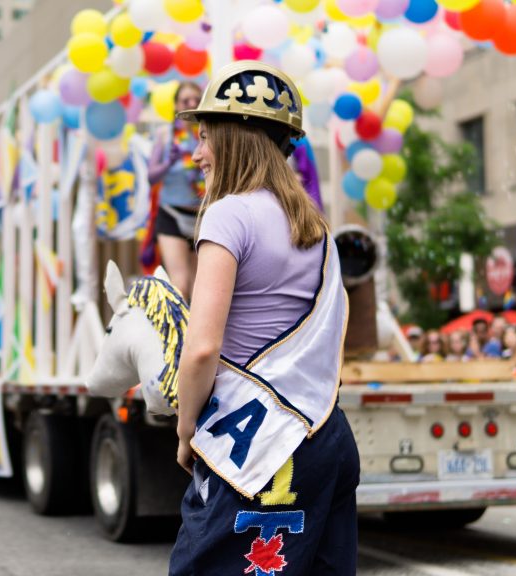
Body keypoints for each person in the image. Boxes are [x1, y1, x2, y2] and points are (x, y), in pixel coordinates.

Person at [171, 61, 358, 575]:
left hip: (261, 451)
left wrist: (187, 431)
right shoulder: (316, 227)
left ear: (234, 139)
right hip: (327, 439)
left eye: (205, 137)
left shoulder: (228, 214)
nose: (196, 153)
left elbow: (202, 347)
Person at [148, 81, 206, 299]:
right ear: (175, 106)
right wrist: (168, 163)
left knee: (199, 288)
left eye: (196, 100)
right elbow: (150, 177)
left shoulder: (208, 134)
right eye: (185, 101)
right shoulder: (165, 135)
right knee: (179, 285)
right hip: (172, 214)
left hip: (202, 217)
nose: (191, 104)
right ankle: (178, 333)